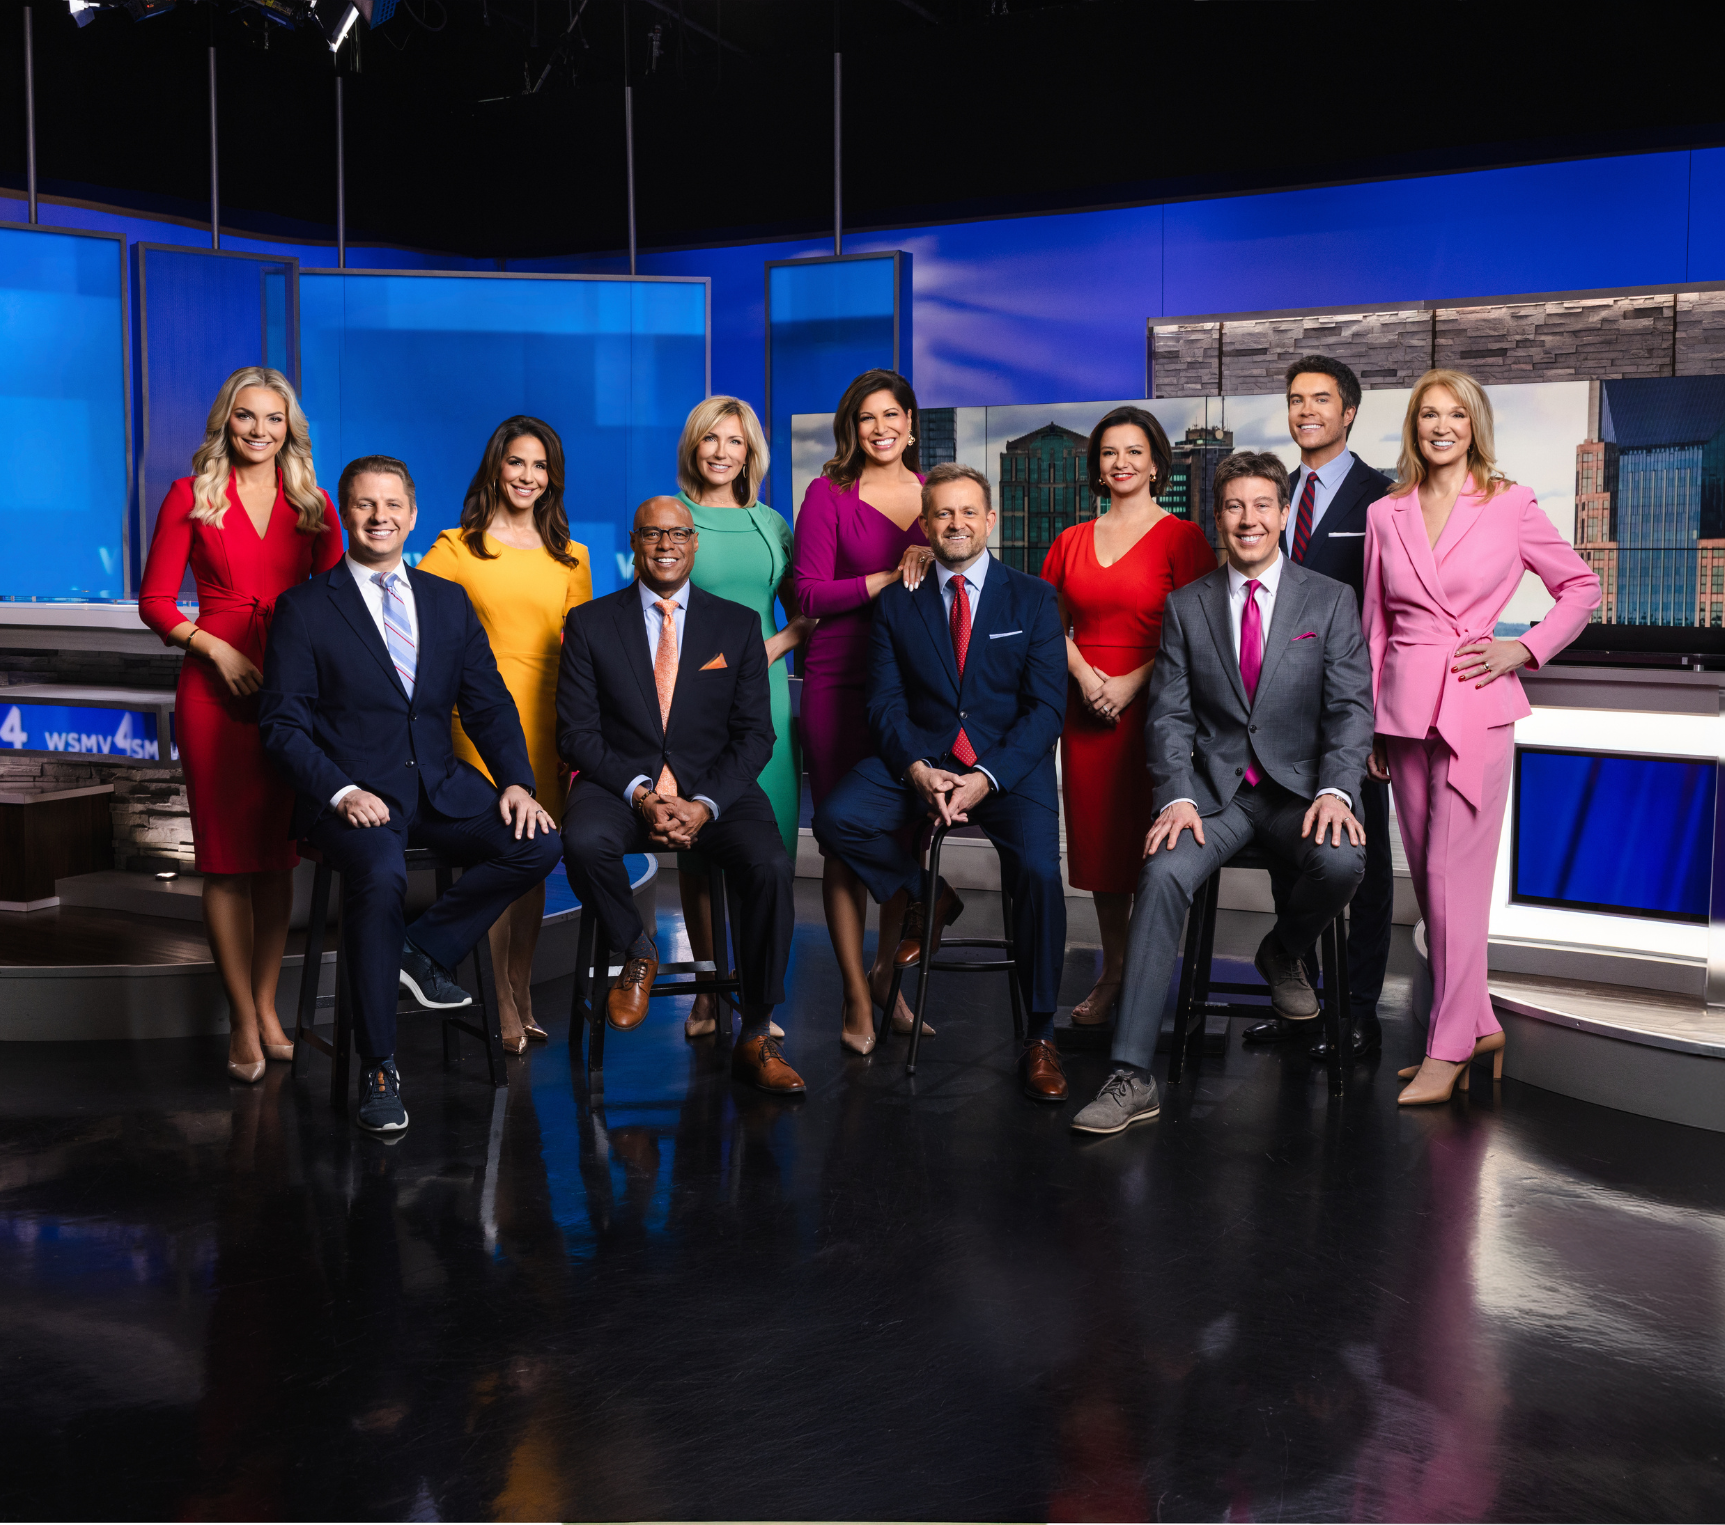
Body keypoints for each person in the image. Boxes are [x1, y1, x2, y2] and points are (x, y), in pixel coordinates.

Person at [1070, 451, 1374, 1136]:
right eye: (1234, 506)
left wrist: (1335, 787)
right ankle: (1131, 1074)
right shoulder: (1186, 606)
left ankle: (1280, 952)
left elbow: (1350, 708)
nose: (1248, 519)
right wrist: (1175, 795)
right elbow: (1169, 713)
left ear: (1282, 513)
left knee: (1341, 862)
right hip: (1215, 796)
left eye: (1262, 505)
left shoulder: (1328, 601)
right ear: (1217, 517)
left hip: (1298, 790)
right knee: (1160, 873)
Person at [258, 456, 562, 1134]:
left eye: (392, 504)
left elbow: (487, 703)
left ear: (413, 513)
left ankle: (421, 950)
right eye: (365, 504)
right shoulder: (306, 608)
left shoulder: (446, 601)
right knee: (381, 871)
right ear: (345, 512)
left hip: (441, 785)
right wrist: (338, 790)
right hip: (353, 796)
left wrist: (515, 780)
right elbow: (280, 727)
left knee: (537, 841)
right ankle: (379, 1066)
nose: (379, 517)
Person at [1362, 370, 1599, 1105]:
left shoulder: (1511, 502)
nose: (1440, 426)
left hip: (1474, 706)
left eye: (1454, 415)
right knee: (1434, 886)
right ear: (1413, 425)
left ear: (1473, 424)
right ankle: (1480, 1019)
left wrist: (1522, 648)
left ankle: (1448, 1044)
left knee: (1450, 880)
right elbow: (1375, 621)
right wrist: (1370, 717)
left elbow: (1580, 588)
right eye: (1428, 414)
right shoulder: (1385, 512)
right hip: (1402, 713)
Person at [813, 464, 1070, 1103]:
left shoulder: (1032, 597)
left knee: (1039, 871)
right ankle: (929, 894)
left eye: (967, 513)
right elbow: (883, 702)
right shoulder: (900, 600)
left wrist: (986, 776)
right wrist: (918, 770)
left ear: (991, 520)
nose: (955, 524)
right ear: (925, 526)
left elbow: (1046, 710)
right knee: (837, 818)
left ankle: (1039, 1034)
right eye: (942, 515)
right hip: (922, 762)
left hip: (1008, 770)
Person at [138, 366, 344, 1085]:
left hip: (293, 691)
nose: (259, 430)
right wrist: (215, 645)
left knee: (278, 858)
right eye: (246, 417)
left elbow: (339, 600)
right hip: (213, 692)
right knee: (225, 860)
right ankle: (240, 1018)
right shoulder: (189, 496)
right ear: (226, 421)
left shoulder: (315, 505)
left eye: (274, 419)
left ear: (291, 428)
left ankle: (267, 1006)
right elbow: (156, 601)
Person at [556, 496, 803, 1096]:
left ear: (695, 544)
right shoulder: (591, 623)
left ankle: (759, 1026)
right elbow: (576, 735)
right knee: (583, 841)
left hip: (713, 791)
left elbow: (755, 734)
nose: (665, 545)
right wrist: (641, 793)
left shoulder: (737, 625)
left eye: (677, 535)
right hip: (620, 786)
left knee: (770, 865)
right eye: (651, 535)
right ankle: (636, 948)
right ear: (634, 544)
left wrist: (704, 804)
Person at [417, 417, 592, 1053]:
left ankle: (519, 990)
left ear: (553, 478)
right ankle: (496, 1005)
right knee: (498, 856)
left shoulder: (573, 556)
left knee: (537, 859)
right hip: (482, 728)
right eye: (517, 463)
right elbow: (414, 617)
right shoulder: (457, 548)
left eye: (539, 466)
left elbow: (581, 654)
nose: (527, 476)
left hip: (550, 727)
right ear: (496, 467)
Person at [1040, 406, 1214, 1027]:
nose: (1122, 463)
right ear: (1097, 466)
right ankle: (1114, 970)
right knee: (1102, 853)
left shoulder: (1184, 539)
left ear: (1157, 462)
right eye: (1110, 452)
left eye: (1134, 452)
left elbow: (1198, 632)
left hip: (1158, 710)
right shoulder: (1070, 541)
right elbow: (1046, 624)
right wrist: (1088, 679)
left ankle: (1147, 977)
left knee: (1155, 853)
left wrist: (1131, 684)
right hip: (1086, 713)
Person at [1244, 356, 1397, 1061]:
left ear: (1349, 411)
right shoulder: (1271, 492)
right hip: (1272, 719)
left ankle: (1357, 1011)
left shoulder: (1381, 498)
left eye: (1321, 399)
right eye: (1295, 398)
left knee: (1357, 864)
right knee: (1290, 857)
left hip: (1347, 720)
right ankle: (1296, 1001)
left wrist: (1376, 721)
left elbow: (1393, 615)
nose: (1305, 410)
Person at [793, 368, 935, 1054]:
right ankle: (853, 993)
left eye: (891, 415)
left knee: (906, 830)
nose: (880, 429)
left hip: (915, 686)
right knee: (843, 840)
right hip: (839, 680)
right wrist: (888, 573)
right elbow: (809, 594)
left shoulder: (938, 494)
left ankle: (888, 980)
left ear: (910, 421)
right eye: (865, 418)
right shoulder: (828, 494)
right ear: (852, 428)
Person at [672, 396, 811, 1039]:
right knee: (697, 849)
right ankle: (705, 988)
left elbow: (800, 616)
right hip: (689, 700)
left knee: (769, 847)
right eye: (711, 439)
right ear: (694, 446)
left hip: (765, 700)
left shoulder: (772, 525)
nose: (723, 452)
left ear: (750, 452)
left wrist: (766, 652)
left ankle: (759, 1000)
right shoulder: (673, 518)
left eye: (736, 441)